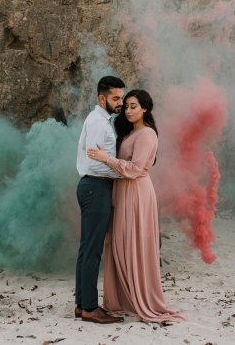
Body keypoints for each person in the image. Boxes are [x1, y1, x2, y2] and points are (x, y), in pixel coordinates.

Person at [87, 90, 187, 323]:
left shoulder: (147, 134)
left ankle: (140, 298)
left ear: (145, 109)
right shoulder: (130, 133)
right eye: (127, 107)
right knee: (121, 244)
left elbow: (135, 168)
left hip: (137, 193)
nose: (129, 110)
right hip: (123, 192)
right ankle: (123, 299)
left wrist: (106, 159)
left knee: (134, 244)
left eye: (134, 106)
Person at [74, 76, 127, 324]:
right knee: (92, 250)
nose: (121, 103)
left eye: (122, 98)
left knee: (86, 248)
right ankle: (91, 309)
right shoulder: (99, 123)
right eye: (116, 98)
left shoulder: (101, 120)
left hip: (93, 186)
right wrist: (122, 170)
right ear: (102, 98)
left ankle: (81, 305)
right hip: (96, 186)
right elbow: (97, 163)